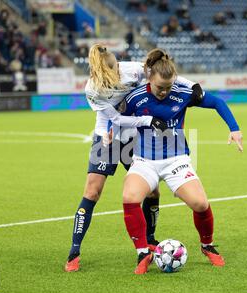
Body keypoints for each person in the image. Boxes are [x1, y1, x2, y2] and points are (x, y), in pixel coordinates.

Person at [64, 44, 202, 272]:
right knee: (92, 191)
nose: (117, 73)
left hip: (132, 137)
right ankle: (74, 252)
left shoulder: (133, 70)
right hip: (106, 138)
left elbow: (163, 74)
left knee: (152, 190)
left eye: (117, 68)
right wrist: (141, 123)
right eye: (111, 71)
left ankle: (149, 240)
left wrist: (192, 85)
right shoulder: (92, 88)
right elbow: (115, 119)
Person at [121, 49, 243, 274]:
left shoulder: (182, 93)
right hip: (144, 160)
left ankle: (207, 246)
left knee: (200, 203)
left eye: (168, 87)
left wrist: (234, 128)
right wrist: (113, 132)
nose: (164, 92)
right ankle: (142, 252)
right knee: (130, 197)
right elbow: (118, 118)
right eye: (160, 87)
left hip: (176, 160)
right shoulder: (135, 97)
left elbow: (217, 102)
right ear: (150, 79)